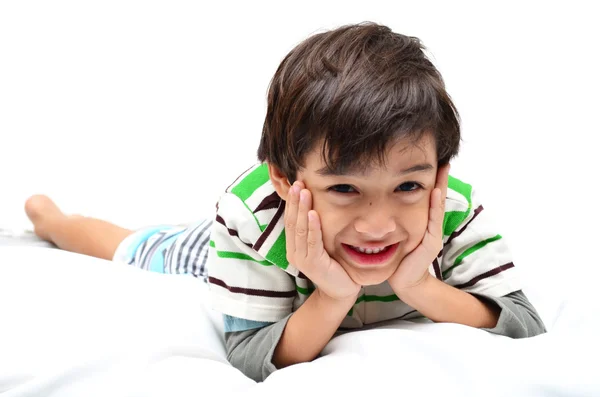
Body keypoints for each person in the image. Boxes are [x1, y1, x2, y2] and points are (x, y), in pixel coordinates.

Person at [25, 22, 546, 383]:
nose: (378, 224)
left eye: (407, 187)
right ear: (283, 178)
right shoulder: (254, 219)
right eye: (344, 188)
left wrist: (418, 285)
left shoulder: (450, 208)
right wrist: (332, 296)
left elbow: (523, 323)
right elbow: (251, 356)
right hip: (225, 251)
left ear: (438, 174)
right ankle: (54, 219)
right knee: (142, 247)